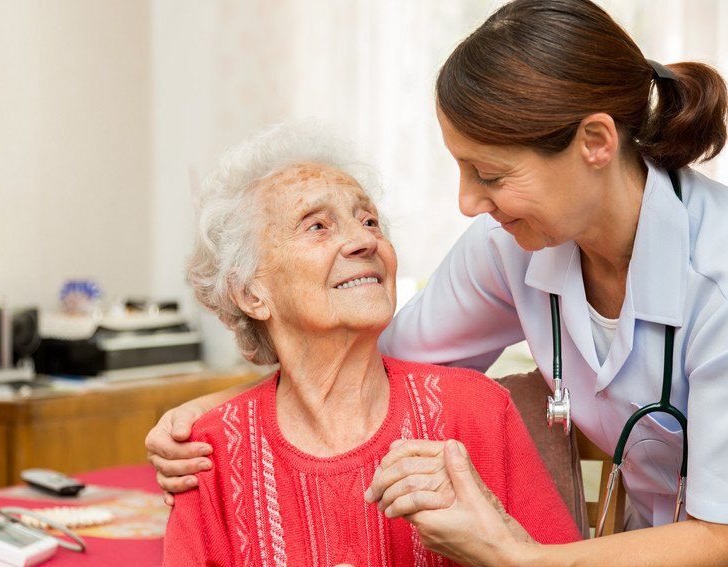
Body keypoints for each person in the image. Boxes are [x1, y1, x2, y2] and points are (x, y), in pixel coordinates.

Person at [149, 0, 728, 564]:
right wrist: (229, 412)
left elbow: (719, 534)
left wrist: (515, 560)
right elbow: (370, 362)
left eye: (491, 174)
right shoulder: (510, 246)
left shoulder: (716, 273)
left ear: (596, 143)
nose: (467, 202)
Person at [160, 124, 580, 566]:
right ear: (250, 293)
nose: (364, 240)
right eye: (317, 226)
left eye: (370, 221)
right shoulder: (207, 453)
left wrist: (489, 536)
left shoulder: (478, 410)